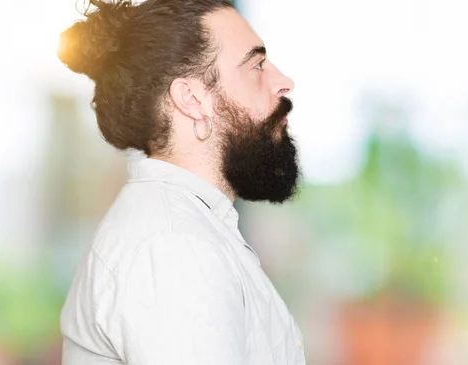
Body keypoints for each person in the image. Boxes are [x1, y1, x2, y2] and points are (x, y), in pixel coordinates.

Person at [57, 0, 305, 364]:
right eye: (256, 65)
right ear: (191, 99)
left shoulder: (187, 226)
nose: (284, 82)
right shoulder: (173, 244)